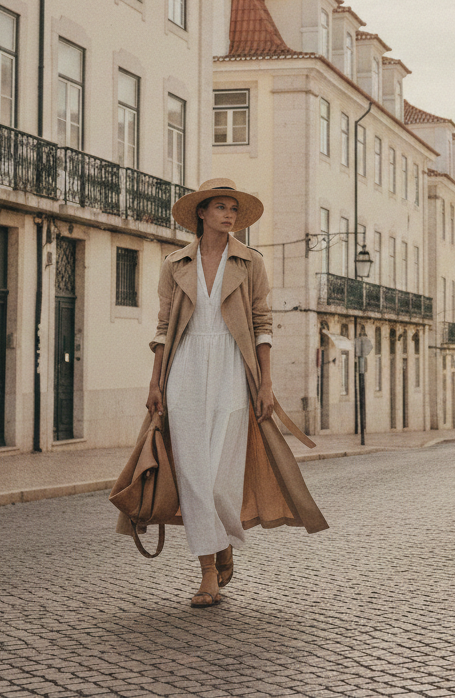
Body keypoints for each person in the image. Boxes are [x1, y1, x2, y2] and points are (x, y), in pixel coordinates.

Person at [119, 177, 328, 608]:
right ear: (202, 212)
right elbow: (163, 328)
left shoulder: (251, 262)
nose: (229, 215)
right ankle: (208, 573)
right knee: (194, 476)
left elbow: (262, 324)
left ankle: (223, 541)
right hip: (185, 368)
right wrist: (155, 382)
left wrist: (266, 383)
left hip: (233, 366)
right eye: (220, 207)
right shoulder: (175, 263)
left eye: (233, 209)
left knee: (219, 481)